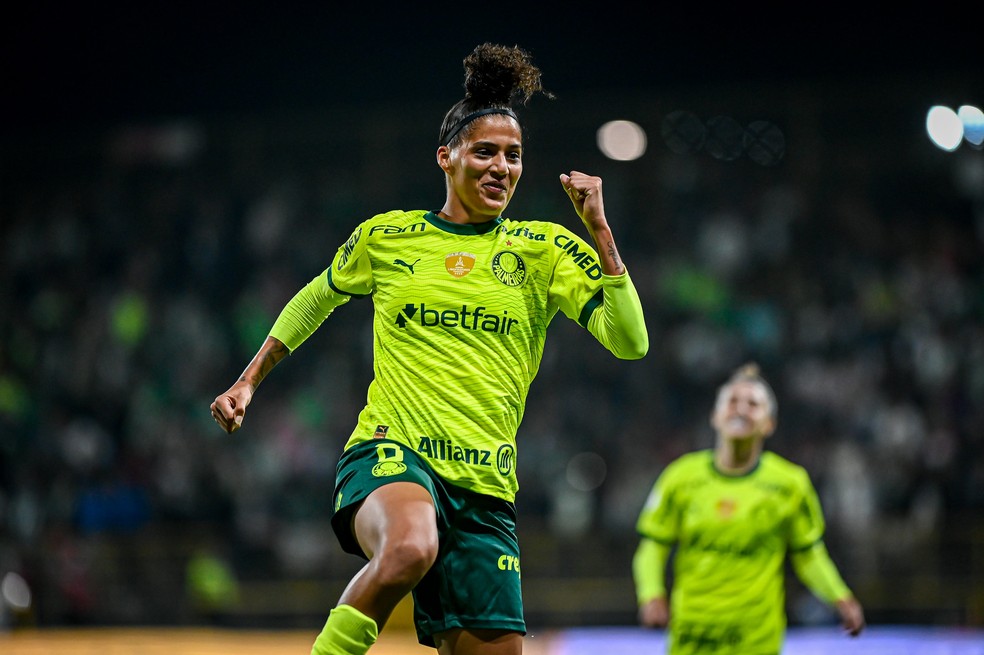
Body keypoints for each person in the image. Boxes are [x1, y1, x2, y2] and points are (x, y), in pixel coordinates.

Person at [210, 43, 649, 655]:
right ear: (447, 157)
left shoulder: (545, 248)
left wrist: (600, 235)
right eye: (486, 151)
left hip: (486, 488)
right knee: (411, 546)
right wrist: (248, 380)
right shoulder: (388, 237)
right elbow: (316, 298)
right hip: (393, 452)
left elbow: (631, 342)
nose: (502, 167)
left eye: (514, 156)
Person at [632, 363, 865, 654]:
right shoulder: (680, 478)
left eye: (753, 404)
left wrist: (840, 597)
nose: (740, 410)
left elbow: (808, 554)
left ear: (769, 423)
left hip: (755, 638)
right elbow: (652, 547)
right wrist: (651, 594)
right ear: (715, 416)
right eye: (732, 401)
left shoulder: (790, 484)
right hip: (692, 634)